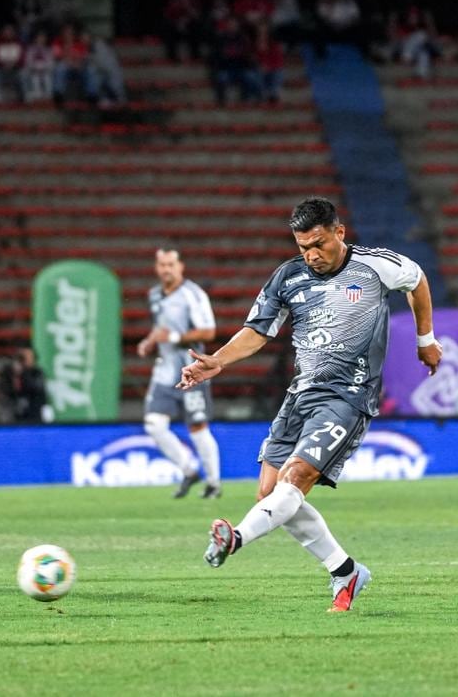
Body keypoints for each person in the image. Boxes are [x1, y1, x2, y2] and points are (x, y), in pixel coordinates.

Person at [178, 197, 442, 612]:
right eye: (303, 247)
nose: (311, 255)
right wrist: (217, 361)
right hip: (300, 395)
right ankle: (345, 570)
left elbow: (417, 280)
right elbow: (258, 330)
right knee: (269, 492)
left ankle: (237, 537)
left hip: (348, 397)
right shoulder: (289, 276)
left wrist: (425, 339)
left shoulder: (375, 266)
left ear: (339, 232)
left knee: (295, 478)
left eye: (318, 244)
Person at [137, 247, 221, 499]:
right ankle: (189, 470)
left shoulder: (192, 294)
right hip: (164, 369)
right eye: (162, 265)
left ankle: (214, 483)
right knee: (154, 425)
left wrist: (173, 337)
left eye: (171, 264)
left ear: (180, 266)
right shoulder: (154, 295)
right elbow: (160, 326)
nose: (166, 269)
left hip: (191, 368)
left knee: (197, 425)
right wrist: (150, 341)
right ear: (156, 267)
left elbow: (208, 331)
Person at [0, 347, 50, 423]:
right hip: (15, 411)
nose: (27, 360)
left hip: (34, 411)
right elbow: (6, 390)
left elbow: (35, 389)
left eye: (30, 357)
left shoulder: (37, 373)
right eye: (23, 357)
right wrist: (15, 375)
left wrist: (23, 373)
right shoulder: (9, 372)